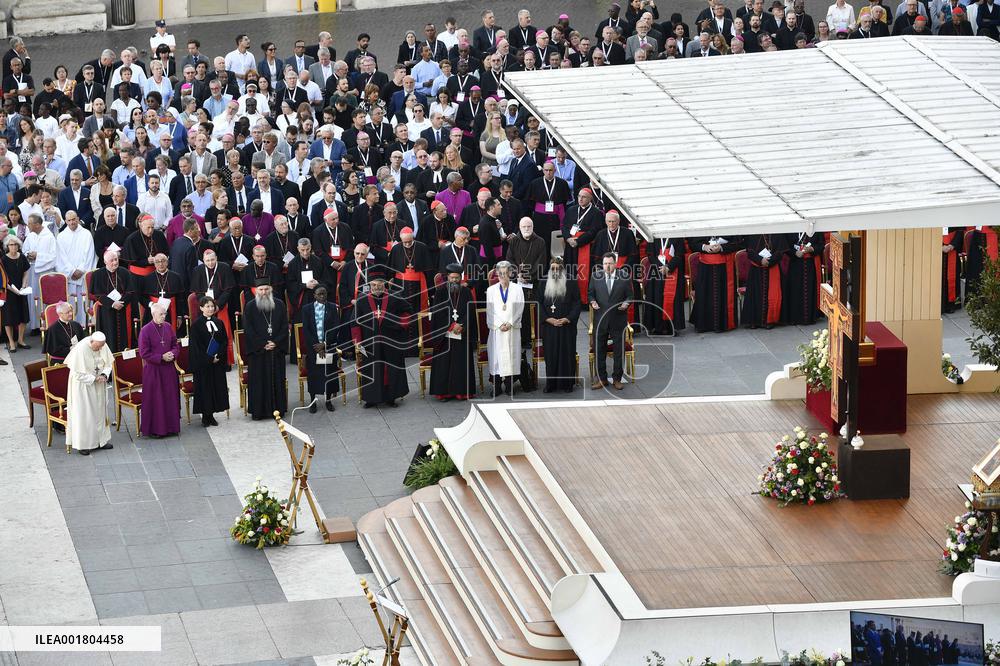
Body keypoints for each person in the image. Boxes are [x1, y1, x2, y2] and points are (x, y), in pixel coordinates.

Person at [351, 271, 411, 408]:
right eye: (373, 285)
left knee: (392, 369)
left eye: (379, 285)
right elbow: (354, 322)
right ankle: (371, 398)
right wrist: (358, 342)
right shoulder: (362, 299)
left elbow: (408, 312)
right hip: (370, 341)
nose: (376, 288)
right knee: (372, 370)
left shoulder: (395, 297)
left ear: (384, 284)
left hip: (391, 340)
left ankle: (391, 397)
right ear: (369, 285)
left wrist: (399, 324)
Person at [428, 262, 478, 400]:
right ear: (448, 277)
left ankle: (461, 392)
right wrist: (451, 325)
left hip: (462, 333)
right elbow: (437, 313)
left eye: (457, 278)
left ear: (460, 277)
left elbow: (470, 311)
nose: (454, 280)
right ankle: (444, 392)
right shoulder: (440, 293)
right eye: (452, 278)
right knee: (444, 364)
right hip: (445, 336)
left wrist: (462, 325)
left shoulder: (466, 292)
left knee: (461, 363)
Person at [242, 280, 289, 419]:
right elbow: (248, 330)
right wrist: (263, 343)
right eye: (261, 289)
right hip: (258, 353)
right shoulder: (250, 307)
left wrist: (275, 342)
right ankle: (259, 412)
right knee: (259, 381)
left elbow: (284, 327)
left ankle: (278, 409)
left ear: (271, 289)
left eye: (266, 289)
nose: (264, 292)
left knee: (277, 380)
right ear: (256, 290)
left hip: (276, 350)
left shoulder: (279, 304)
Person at [64, 331, 114, 455]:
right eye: (98, 346)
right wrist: (94, 378)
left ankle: (101, 441)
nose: (100, 349)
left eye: (102, 346)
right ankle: (84, 445)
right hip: (83, 387)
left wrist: (104, 374)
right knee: (85, 415)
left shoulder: (102, 345)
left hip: (99, 384)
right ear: (91, 342)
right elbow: (77, 374)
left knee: (100, 412)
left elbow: (108, 363)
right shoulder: (81, 349)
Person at [589, 252, 633, 390]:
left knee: (618, 350)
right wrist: (592, 302)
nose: (608, 266)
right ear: (602, 265)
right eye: (605, 264)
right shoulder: (595, 276)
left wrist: (626, 303)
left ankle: (617, 379)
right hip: (600, 319)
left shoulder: (624, 277)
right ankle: (601, 379)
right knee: (599, 349)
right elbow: (590, 293)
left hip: (618, 319)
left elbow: (630, 296)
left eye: (610, 263)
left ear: (615, 264)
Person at [137, 302, 181, 438]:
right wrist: (161, 357)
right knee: (156, 400)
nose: (164, 316)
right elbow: (144, 353)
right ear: (153, 314)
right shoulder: (145, 330)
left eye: (165, 314)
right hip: (154, 371)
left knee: (170, 398)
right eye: (161, 314)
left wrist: (173, 354)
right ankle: (157, 429)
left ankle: (172, 427)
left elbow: (175, 344)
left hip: (168, 370)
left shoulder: (168, 327)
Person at [539, 257, 580, 393]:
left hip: (566, 326)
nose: (555, 271)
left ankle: (567, 384)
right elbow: (538, 303)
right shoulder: (543, 281)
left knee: (566, 354)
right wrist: (547, 319)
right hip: (549, 326)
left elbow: (577, 303)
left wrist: (568, 319)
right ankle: (551, 384)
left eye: (558, 268)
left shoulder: (571, 280)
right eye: (553, 269)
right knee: (551, 355)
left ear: (562, 269)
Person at [188, 296, 229, 427]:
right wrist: (209, 359)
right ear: (201, 308)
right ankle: (206, 416)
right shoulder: (196, 325)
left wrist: (219, 356)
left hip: (217, 363)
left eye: (212, 306)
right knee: (205, 389)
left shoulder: (219, 323)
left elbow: (224, 341)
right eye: (207, 306)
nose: (210, 309)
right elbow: (196, 346)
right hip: (203, 364)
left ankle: (212, 415)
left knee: (215, 388)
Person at [486, 260, 524, 395]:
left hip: (511, 329)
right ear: (497, 273)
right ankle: (496, 387)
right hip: (497, 330)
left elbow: (519, 308)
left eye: (505, 273)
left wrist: (510, 323)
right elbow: (490, 311)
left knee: (511, 356)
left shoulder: (517, 289)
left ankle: (509, 386)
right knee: (496, 358)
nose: (503, 275)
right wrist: (499, 324)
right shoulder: (491, 290)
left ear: (510, 273)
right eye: (500, 273)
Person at [301, 285, 341, 412]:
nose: (322, 296)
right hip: (313, 348)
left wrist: (325, 343)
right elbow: (306, 329)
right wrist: (316, 346)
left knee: (328, 374)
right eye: (319, 294)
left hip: (328, 347)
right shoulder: (307, 309)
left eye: (324, 294)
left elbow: (336, 326)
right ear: (314, 295)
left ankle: (328, 400)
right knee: (314, 375)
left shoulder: (332, 308)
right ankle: (313, 401)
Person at [690, 235, 742, 333]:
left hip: (724, 267)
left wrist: (722, 247)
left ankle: (722, 325)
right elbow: (693, 244)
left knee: (723, 294)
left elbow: (738, 243)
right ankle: (703, 325)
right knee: (705, 294)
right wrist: (704, 247)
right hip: (705, 267)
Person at [55, 210, 96, 326]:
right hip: (70, 277)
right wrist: (72, 271)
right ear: (66, 221)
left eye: (74, 219)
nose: (72, 222)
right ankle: (71, 326)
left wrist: (81, 270)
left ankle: (85, 326)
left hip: (82, 276)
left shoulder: (86, 234)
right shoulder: (61, 236)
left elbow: (89, 254)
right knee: (71, 303)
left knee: (84, 302)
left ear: (78, 219)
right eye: (69, 220)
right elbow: (61, 257)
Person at [91, 250, 136, 352]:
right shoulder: (97, 274)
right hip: (106, 311)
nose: (115, 262)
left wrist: (120, 304)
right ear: (105, 261)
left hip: (124, 310)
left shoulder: (125, 272)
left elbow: (130, 292)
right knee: (109, 336)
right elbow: (97, 294)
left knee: (125, 338)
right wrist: (112, 304)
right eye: (112, 260)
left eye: (116, 259)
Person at [741, 234, 788, 330]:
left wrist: (770, 261)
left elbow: (780, 252)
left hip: (773, 267)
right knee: (755, 295)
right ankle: (754, 321)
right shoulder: (753, 233)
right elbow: (750, 252)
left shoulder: (777, 233)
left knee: (773, 295)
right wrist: (760, 260)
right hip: (756, 270)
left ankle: (770, 320)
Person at [644, 238, 687, 336]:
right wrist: (660, 267)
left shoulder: (677, 237)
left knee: (672, 300)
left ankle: (671, 327)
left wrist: (668, 267)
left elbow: (679, 255)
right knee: (656, 298)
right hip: (656, 271)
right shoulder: (653, 236)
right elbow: (650, 254)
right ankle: (657, 327)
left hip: (673, 271)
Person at [782, 231, 826, 325]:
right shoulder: (792, 229)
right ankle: (794, 318)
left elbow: (821, 245)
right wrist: (794, 252)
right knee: (795, 290)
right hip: (795, 265)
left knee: (810, 290)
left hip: (811, 264)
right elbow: (785, 245)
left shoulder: (816, 229)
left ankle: (810, 317)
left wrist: (812, 248)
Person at [21, 212, 56, 330]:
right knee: (33, 298)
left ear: (36, 224)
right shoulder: (30, 236)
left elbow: (53, 256)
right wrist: (28, 255)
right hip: (32, 272)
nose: (27, 226)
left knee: (45, 297)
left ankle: (47, 323)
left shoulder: (49, 236)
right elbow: (24, 250)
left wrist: (38, 256)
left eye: (29, 223)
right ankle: (35, 325)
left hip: (45, 273)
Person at [2, 235, 30, 353]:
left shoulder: (22, 257)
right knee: (9, 318)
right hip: (9, 291)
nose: (13, 247)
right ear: (7, 246)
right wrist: (14, 290)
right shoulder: (3, 259)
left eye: (15, 244)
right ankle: (11, 343)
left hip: (21, 290)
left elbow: (25, 272)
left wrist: (23, 285)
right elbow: (3, 278)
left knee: (23, 316)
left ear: (19, 246)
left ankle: (20, 340)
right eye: (11, 245)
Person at [941, 227, 964, 314]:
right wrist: (940, 246)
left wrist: (952, 245)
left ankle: (951, 305)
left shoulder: (955, 217)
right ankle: (938, 305)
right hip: (936, 252)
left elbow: (960, 232)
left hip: (952, 251)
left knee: (952, 278)